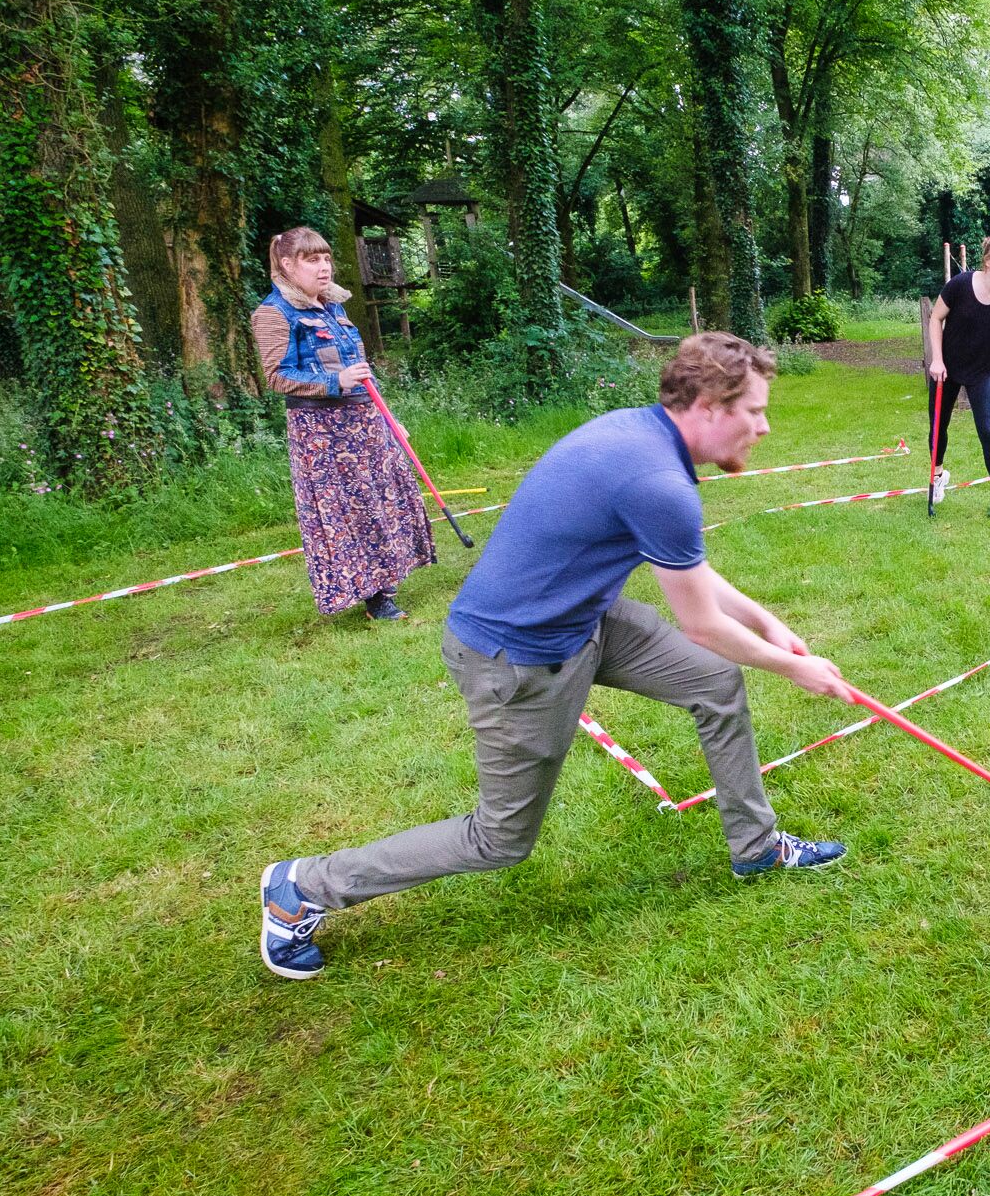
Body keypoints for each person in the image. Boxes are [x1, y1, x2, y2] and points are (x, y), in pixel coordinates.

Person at [257, 333, 851, 980]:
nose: (764, 427)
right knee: (500, 838)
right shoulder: (659, 480)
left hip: (584, 620)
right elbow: (701, 622)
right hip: (516, 657)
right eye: (755, 411)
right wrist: (795, 667)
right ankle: (301, 888)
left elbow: (694, 574)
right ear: (709, 405)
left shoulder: (644, 436)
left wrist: (766, 621)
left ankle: (756, 846)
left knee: (712, 680)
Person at [252, 227, 436, 621]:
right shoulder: (273, 312)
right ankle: (374, 597)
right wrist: (335, 382)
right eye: (312, 260)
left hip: (366, 421)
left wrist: (390, 417)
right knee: (353, 510)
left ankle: (388, 581)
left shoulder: (335, 307)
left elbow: (363, 372)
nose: (324, 267)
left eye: (326, 258)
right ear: (287, 265)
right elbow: (276, 377)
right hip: (323, 433)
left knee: (388, 499)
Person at [924, 234, 990, 521]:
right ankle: (938, 475)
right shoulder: (960, 286)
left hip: (982, 371)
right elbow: (935, 318)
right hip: (946, 367)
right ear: (987, 262)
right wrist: (936, 359)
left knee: (988, 431)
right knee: (938, 426)